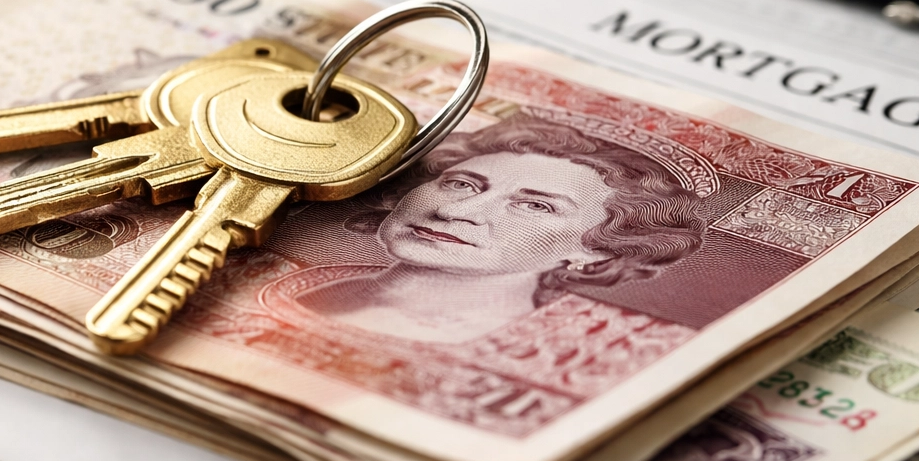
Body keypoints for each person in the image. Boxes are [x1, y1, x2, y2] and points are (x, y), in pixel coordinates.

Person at [290, 114, 710, 344]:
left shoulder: (527, 347)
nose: (461, 211)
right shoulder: (311, 287)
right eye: (461, 183)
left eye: (534, 205)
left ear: (598, 249)